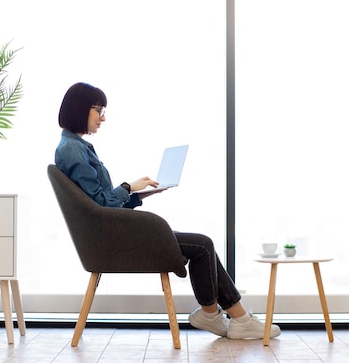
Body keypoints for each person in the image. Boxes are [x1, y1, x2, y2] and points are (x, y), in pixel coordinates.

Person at [55, 82, 280, 340]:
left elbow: (100, 205)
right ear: (80, 109)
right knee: (203, 245)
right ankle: (229, 317)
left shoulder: (75, 147)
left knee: (201, 245)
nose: (103, 118)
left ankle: (224, 316)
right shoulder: (72, 150)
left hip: (115, 231)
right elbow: (101, 206)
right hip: (114, 239)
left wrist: (140, 194)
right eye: (99, 110)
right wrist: (128, 186)